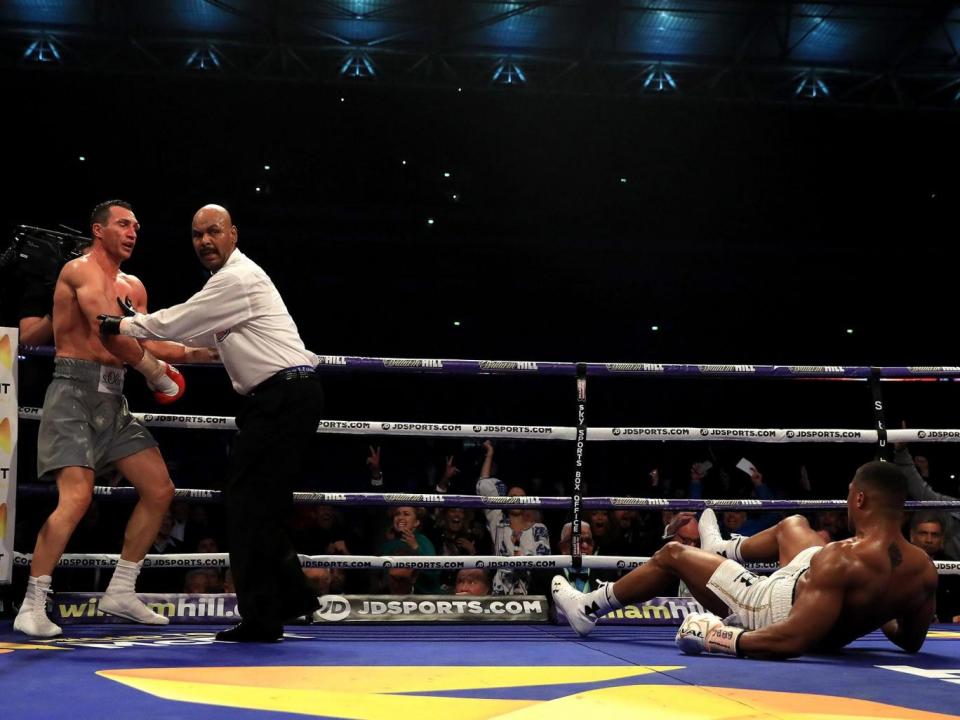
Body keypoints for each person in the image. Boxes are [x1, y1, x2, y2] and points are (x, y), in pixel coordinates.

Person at [98, 203, 325, 642]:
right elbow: (190, 336)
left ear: (233, 234)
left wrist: (124, 324)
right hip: (285, 397)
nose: (204, 241)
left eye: (213, 231)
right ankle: (291, 599)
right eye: (197, 234)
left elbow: (181, 319)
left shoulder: (236, 279)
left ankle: (264, 617)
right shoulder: (228, 286)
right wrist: (149, 334)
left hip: (283, 397)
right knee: (263, 504)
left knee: (244, 502)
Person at [14, 199, 209, 638]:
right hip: (72, 395)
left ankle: (121, 590)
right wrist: (157, 374)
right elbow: (107, 327)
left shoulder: (134, 287)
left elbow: (146, 340)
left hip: (114, 398)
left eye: (136, 225)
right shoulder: (77, 271)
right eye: (123, 224)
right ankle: (32, 603)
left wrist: (198, 353)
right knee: (77, 498)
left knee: (160, 489)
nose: (132, 231)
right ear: (98, 230)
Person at [552, 461, 937, 659]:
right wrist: (878, 609)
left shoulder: (842, 559)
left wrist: (718, 637)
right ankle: (722, 548)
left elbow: (792, 639)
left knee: (672, 554)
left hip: (773, 606)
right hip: (809, 582)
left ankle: (588, 607)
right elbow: (911, 641)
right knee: (795, 524)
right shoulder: (922, 570)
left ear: (859, 499)